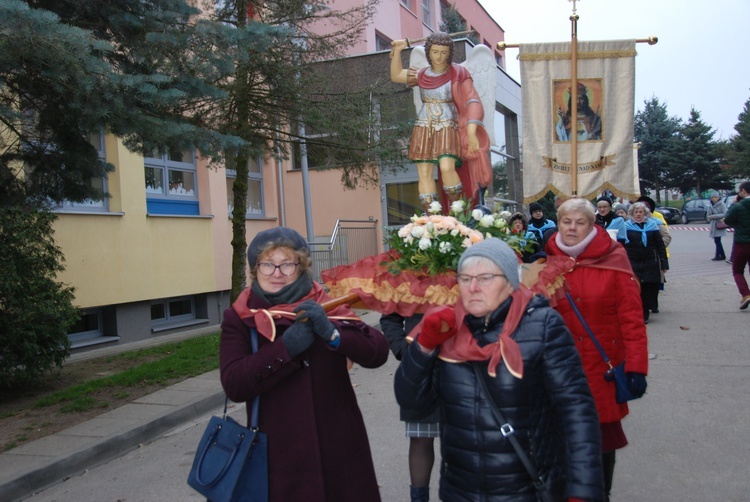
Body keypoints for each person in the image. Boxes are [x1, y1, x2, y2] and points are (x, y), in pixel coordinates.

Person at [395, 238, 605, 501]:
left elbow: (576, 410)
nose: (472, 288)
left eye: (485, 278)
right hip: (460, 490)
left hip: (527, 489)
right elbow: (412, 401)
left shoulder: (542, 326)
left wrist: (583, 491)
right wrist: (423, 347)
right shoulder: (447, 327)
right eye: (465, 278)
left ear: (509, 282)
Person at [219, 227, 389, 502]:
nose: (277, 273)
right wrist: (286, 348)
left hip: (340, 447)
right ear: (254, 269)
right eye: (267, 264)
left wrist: (333, 334)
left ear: (301, 266)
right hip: (279, 454)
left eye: (286, 264)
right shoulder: (239, 318)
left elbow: (377, 352)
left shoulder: (327, 304)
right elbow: (235, 384)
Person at [544, 198, 649, 501]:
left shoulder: (615, 261)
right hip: (558, 371)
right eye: (567, 221)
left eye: (580, 222)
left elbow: (632, 320)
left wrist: (637, 367)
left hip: (600, 369)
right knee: (558, 445)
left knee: (601, 445)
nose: (572, 228)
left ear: (592, 225)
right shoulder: (546, 264)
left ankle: (601, 494)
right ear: (558, 223)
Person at [390, 32, 491, 214]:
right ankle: (432, 218)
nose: (439, 56)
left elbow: (472, 100)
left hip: (447, 126)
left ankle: (457, 214)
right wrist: (397, 52)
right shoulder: (422, 75)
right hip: (423, 125)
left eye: (443, 52)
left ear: (449, 53)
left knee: (446, 167)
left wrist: (471, 131)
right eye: (435, 52)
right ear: (429, 52)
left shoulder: (458, 72)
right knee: (424, 172)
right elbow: (396, 75)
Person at [380, 312, 438, 502]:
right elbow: (389, 318)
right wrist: (402, 348)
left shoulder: (466, 281)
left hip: (463, 365)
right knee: (420, 438)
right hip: (418, 367)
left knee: (465, 440)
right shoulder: (403, 281)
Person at [624, 202, 669, 324]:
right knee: (635, 289)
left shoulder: (653, 226)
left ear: (645, 214)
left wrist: (664, 264)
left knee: (647, 289)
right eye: (636, 212)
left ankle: (645, 314)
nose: (638, 214)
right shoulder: (626, 227)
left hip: (650, 262)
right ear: (632, 214)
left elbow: (660, 246)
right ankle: (637, 313)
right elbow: (621, 246)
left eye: (641, 212)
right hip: (632, 262)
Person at [723, 181, 750, 310]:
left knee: (738, 270)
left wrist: (733, 204)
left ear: (744, 191)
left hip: (742, 243)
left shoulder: (737, 206)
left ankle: (746, 294)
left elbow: (727, 220)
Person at [707, 191, 728, 261]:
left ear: (718, 197)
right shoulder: (710, 205)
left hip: (719, 224)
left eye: (715, 197)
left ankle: (718, 255)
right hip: (713, 225)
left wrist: (714, 216)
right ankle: (722, 255)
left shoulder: (722, 204)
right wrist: (710, 217)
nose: (713, 198)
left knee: (717, 240)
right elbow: (708, 215)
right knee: (717, 240)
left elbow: (724, 214)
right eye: (712, 197)